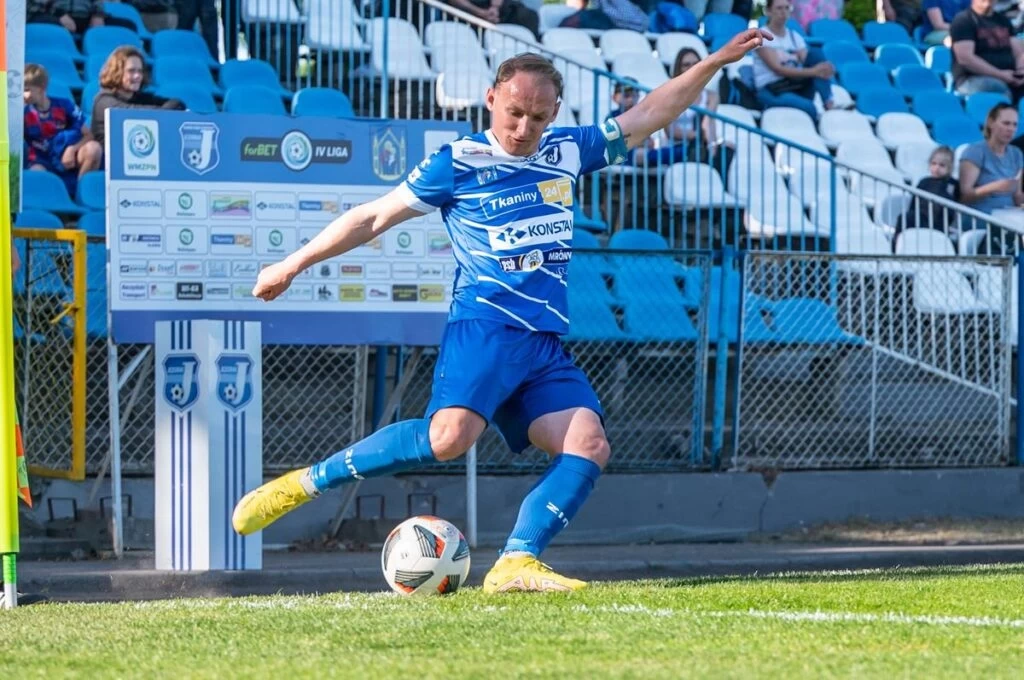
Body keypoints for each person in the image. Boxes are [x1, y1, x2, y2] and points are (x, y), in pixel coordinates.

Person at [231, 29, 770, 593]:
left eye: (537, 118)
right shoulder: (457, 162)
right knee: (448, 440)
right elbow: (372, 217)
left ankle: (517, 561)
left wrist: (714, 61)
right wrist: (292, 264)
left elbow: (652, 113)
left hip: (543, 344)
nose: (523, 128)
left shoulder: (567, 150)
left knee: (589, 443)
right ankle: (304, 483)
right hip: (485, 327)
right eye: (514, 113)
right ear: (491, 99)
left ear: (554, 113)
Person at [23, 63, 102, 195]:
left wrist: (72, 149)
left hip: (66, 157)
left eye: (27, 90)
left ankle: (81, 194)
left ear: (42, 88)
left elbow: (89, 135)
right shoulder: (23, 112)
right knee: (36, 175)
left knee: (94, 149)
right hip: (40, 159)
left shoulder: (64, 105)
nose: (24, 95)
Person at [753, 0, 835, 120]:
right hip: (773, 89)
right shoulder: (762, 36)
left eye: (787, 8)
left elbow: (807, 59)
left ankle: (828, 102)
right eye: (779, 8)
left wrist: (824, 68)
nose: (783, 12)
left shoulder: (794, 36)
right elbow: (778, 69)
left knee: (815, 54)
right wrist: (815, 71)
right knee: (809, 108)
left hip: (795, 84)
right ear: (768, 11)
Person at [959, 102, 1024, 253]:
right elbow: (964, 197)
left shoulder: (1016, 154)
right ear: (991, 123)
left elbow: (1017, 196)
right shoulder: (975, 151)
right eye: (1006, 123)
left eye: (1014, 125)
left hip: (1009, 217)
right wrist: (995, 187)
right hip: (980, 217)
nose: (1011, 129)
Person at [90, 46, 185, 147]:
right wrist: (165, 112)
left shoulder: (139, 98)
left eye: (140, 71)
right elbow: (134, 113)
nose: (137, 76)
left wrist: (166, 111)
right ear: (117, 72)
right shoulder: (104, 100)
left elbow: (177, 103)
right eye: (131, 71)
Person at [949, 0, 1024, 102]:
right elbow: (965, 59)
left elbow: (1019, 52)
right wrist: (1001, 75)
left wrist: (1021, 71)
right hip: (972, 79)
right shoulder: (963, 21)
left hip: (1009, 76)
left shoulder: (1003, 20)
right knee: (999, 88)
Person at [894, 145, 960, 240]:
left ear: (950, 168)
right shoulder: (924, 182)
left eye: (942, 165)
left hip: (939, 224)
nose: (936, 168)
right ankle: (896, 243)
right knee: (905, 218)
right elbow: (913, 204)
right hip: (921, 218)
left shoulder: (952, 184)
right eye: (933, 164)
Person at [446, 0, 541, 38]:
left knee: (527, 15)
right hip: (466, 12)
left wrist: (494, 8)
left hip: (493, 9)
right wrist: (481, 13)